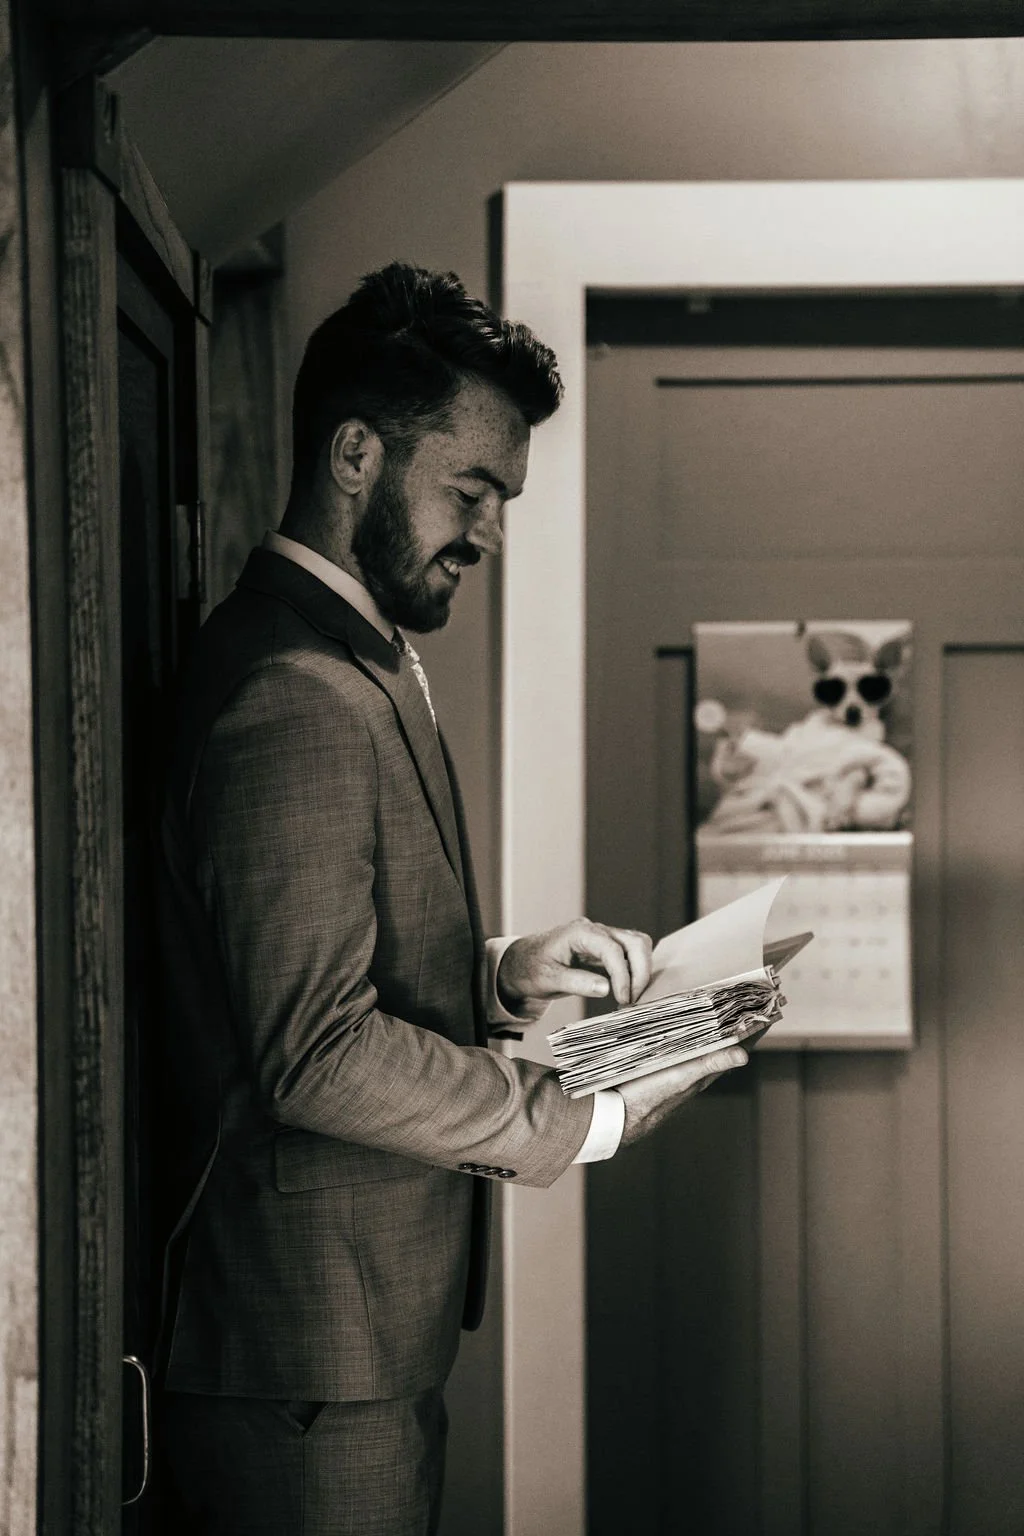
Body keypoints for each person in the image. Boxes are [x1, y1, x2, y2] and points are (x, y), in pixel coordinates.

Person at [155, 262, 748, 1536]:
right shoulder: (294, 691)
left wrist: (498, 972)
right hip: (306, 1359)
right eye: (469, 489)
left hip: (361, 1333)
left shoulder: (359, 654)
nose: (486, 530)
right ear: (356, 453)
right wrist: (574, 1117)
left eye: (500, 498)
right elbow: (310, 1052)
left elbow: (287, 953)